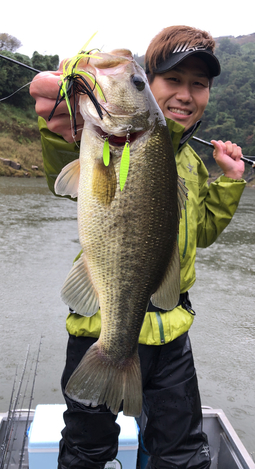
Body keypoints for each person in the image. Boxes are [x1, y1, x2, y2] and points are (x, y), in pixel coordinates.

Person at [30, 25, 246, 469]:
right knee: (87, 449)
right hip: (100, 324)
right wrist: (58, 125)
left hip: (171, 335)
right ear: (151, 84)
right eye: (171, 80)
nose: (186, 94)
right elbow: (62, 172)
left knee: (182, 452)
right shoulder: (105, 140)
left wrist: (230, 181)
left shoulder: (191, 163)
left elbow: (201, 234)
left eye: (199, 84)